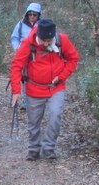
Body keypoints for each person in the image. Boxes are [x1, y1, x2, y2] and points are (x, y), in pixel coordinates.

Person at [10, 18, 80, 161]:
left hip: (56, 87)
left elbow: (73, 59)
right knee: (33, 121)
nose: (47, 44)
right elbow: (17, 66)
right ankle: (34, 149)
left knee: (55, 115)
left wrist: (61, 76)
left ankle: (49, 148)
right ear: (38, 37)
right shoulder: (28, 44)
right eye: (44, 41)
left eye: (49, 40)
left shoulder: (62, 40)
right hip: (34, 88)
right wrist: (16, 91)